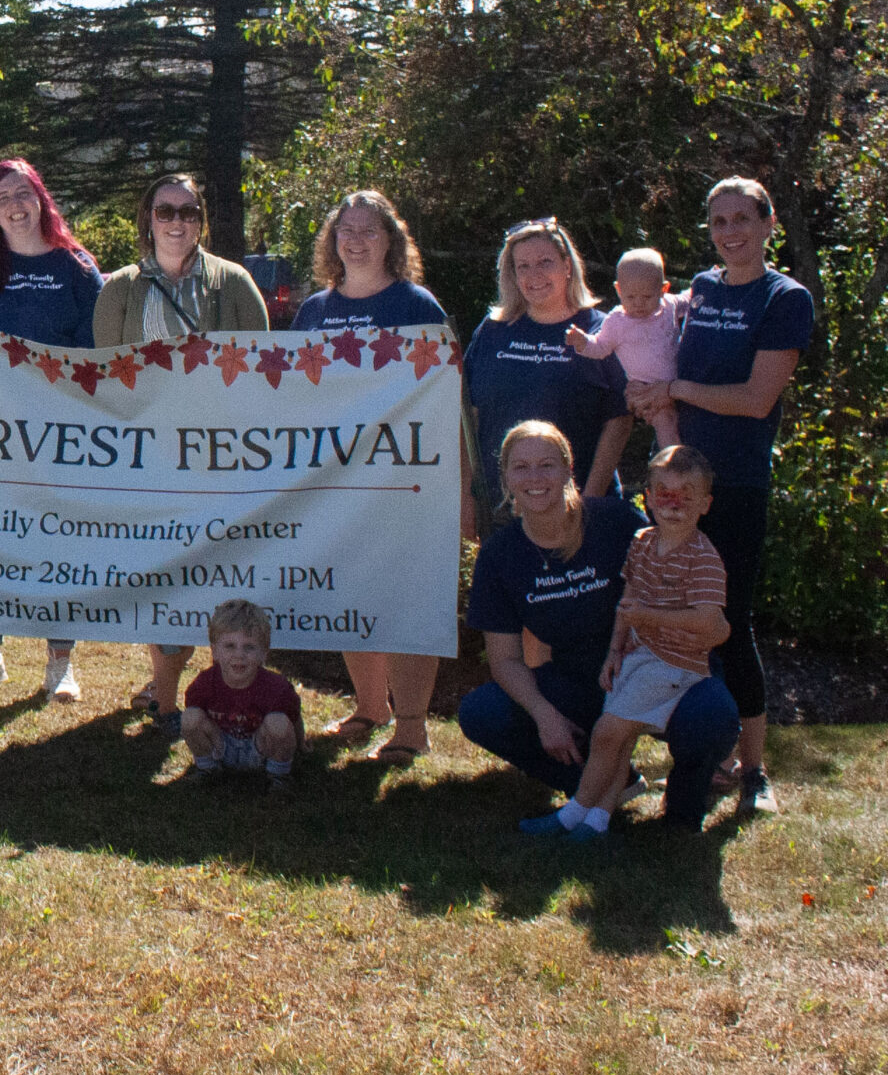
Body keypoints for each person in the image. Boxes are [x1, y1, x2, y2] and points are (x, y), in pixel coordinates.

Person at [627, 176, 812, 816]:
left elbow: (756, 399)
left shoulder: (784, 298)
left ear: (768, 223)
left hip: (735, 485)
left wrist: (675, 388)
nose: (730, 232)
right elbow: (649, 336)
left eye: (742, 219)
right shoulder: (701, 290)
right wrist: (647, 388)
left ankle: (754, 770)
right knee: (664, 610)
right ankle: (706, 755)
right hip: (676, 483)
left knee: (728, 625)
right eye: (718, 222)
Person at [456, 422, 739, 833]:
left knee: (712, 717)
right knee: (484, 712)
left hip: (665, 663)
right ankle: (609, 786)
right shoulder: (502, 554)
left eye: (546, 465)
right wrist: (544, 714)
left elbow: (687, 563)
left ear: (569, 471)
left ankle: (681, 812)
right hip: (582, 677)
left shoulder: (616, 521)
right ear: (506, 479)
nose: (535, 478)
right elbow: (504, 660)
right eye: (521, 468)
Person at [94, 172, 268, 728]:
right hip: (147, 458)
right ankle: (167, 698)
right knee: (161, 572)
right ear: (148, 218)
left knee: (220, 574)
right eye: (165, 211)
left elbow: (261, 371)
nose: (176, 222)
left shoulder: (234, 283)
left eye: (187, 212)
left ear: (202, 220)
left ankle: (226, 693)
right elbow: (105, 377)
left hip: (219, 457)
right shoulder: (118, 288)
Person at [0, 159, 105, 701]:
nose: (14, 203)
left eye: (23, 192)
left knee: (62, 539)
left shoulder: (75, 265)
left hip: (60, 430)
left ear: (41, 199)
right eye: (2, 195)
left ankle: (60, 662)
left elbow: (97, 346)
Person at [290, 190, 451, 763]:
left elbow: (440, 397)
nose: (356, 240)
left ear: (392, 240)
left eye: (369, 230)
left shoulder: (417, 305)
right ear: (332, 242)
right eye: (346, 231)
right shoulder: (315, 310)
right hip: (334, 479)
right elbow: (293, 394)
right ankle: (369, 708)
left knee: (406, 598)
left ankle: (411, 726)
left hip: (402, 477)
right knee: (350, 591)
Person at [526, 445, 729, 839]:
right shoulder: (641, 541)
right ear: (648, 498)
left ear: (705, 504)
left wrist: (648, 619)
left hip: (675, 665)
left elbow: (708, 621)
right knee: (619, 741)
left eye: (686, 495)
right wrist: (615, 651)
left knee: (607, 732)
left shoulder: (703, 558)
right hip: (637, 658)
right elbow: (629, 601)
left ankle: (575, 812)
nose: (674, 503)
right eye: (665, 492)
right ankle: (599, 821)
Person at [461, 218, 632, 538]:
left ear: (567, 266)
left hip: (576, 510)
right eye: (522, 266)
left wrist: (589, 500)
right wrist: (466, 498)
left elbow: (619, 421)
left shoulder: (603, 329)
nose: (534, 275)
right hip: (503, 511)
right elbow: (467, 417)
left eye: (545, 262)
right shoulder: (492, 331)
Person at [566, 247, 691, 451]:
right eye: (631, 297)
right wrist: (582, 342)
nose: (639, 304)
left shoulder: (670, 305)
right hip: (647, 387)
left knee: (687, 422)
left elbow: (690, 299)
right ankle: (675, 462)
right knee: (666, 423)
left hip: (679, 381)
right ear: (618, 290)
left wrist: (705, 284)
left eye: (647, 297)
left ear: (664, 289)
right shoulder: (617, 321)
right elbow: (600, 347)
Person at [179, 599, 302, 794]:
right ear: (214, 651)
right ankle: (208, 769)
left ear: (264, 653)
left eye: (249, 647)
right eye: (229, 646)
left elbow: (293, 721)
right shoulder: (204, 683)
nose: (239, 655)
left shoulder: (277, 688)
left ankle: (278, 776)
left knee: (278, 722)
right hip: (222, 747)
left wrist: (301, 745)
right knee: (189, 717)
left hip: (259, 749)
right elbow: (193, 718)